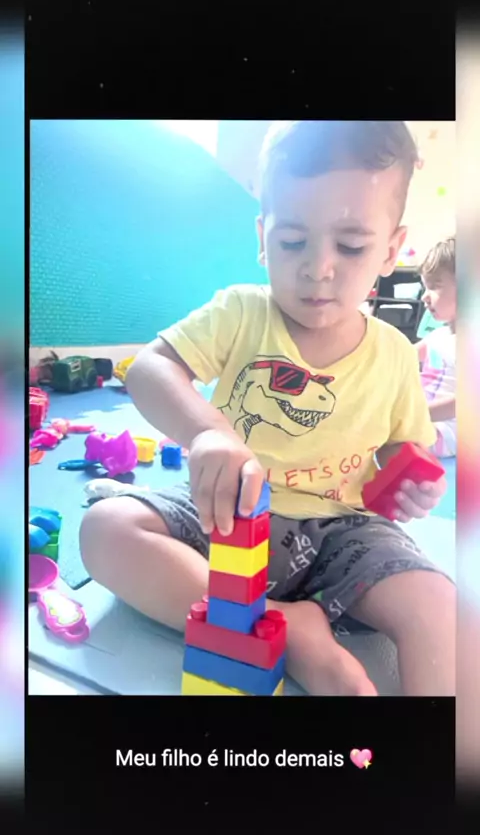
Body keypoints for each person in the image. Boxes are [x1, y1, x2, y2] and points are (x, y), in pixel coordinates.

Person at [80, 121, 454, 696]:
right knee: (106, 529)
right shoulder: (241, 312)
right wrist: (208, 432)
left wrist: (415, 484)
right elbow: (151, 367)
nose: (318, 267)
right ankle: (284, 629)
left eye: (351, 246)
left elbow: (405, 448)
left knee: (440, 605)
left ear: (390, 249)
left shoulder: (396, 354)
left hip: (342, 531)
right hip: (224, 515)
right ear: (262, 237)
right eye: (293, 242)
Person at [416, 237, 456, 456]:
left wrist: (415, 414)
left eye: (434, 287)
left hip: (449, 432)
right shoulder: (439, 335)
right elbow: (401, 355)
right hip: (423, 421)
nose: (424, 296)